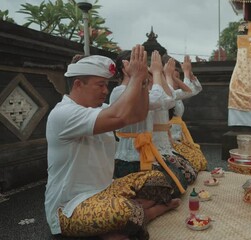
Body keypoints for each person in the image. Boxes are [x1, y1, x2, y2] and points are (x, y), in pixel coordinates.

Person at [45, 45, 179, 240]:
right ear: (78, 84)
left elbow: (138, 114)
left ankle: (126, 222)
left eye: (106, 85)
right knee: (122, 211)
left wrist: (142, 82)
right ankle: (147, 213)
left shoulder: (99, 109)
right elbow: (121, 115)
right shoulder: (63, 114)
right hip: (70, 206)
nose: (105, 91)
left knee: (156, 179)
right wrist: (135, 78)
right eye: (100, 85)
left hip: (106, 190)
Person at [110, 50, 188, 198]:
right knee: (167, 191)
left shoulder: (143, 91)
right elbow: (157, 100)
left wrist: (164, 76)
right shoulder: (119, 91)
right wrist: (158, 73)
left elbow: (169, 101)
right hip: (129, 158)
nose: (144, 70)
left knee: (179, 183)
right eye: (138, 65)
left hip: (147, 153)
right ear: (124, 68)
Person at [166, 55, 208, 172]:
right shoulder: (166, 95)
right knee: (195, 162)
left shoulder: (177, 94)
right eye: (172, 78)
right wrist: (185, 73)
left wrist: (189, 74)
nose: (176, 82)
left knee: (200, 160)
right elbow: (189, 90)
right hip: (170, 139)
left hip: (180, 136)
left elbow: (196, 89)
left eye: (177, 78)